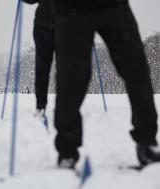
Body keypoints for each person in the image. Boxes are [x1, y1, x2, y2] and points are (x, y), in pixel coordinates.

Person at [53, 0, 160, 169]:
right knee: (71, 80)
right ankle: (67, 151)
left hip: (113, 5)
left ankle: (147, 142)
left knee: (136, 70)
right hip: (70, 8)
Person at [23, 0, 55, 114]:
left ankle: (65, 105)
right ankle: (41, 106)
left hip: (64, 25)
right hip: (44, 26)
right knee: (42, 68)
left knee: (65, 68)